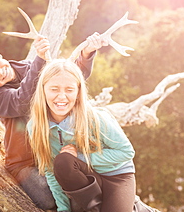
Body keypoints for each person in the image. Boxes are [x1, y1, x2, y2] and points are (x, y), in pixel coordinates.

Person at [0, 34, 105, 211]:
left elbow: (70, 80)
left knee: (93, 174)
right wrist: (40, 61)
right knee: (48, 198)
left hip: (52, 149)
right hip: (26, 162)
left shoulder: (30, 67)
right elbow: (22, 101)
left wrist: (86, 55)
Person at [27, 59, 151, 212]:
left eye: (69, 90)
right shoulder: (35, 127)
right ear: (43, 90)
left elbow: (126, 152)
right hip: (86, 179)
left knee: (69, 159)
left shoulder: (96, 118)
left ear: (78, 92)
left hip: (117, 176)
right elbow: (51, 171)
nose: (61, 96)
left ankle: (136, 206)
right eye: (54, 89)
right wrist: (63, 209)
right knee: (62, 161)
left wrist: (79, 157)